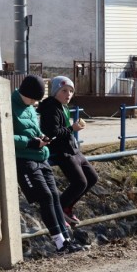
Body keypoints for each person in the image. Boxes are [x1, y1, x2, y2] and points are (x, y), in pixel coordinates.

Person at [12, 74, 85, 254]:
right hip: (24, 158)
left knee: (54, 196)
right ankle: (59, 242)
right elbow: (5, 135)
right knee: (44, 197)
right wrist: (29, 142)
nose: (33, 103)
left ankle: (67, 239)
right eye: (32, 99)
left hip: (40, 155)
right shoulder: (9, 106)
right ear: (24, 93)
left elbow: (35, 128)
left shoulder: (30, 105)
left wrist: (41, 137)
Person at [38, 76, 99, 226]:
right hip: (61, 151)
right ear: (55, 92)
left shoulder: (63, 107)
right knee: (80, 182)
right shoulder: (50, 107)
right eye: (64, 90)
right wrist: (73, 128)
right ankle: (59, 210)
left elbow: (63, 130)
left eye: (71, 91)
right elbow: (52, 132)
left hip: (72, 149)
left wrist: (72, 129)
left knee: (92, 178)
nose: (68, 94)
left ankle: (67, 207)